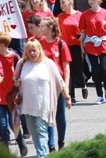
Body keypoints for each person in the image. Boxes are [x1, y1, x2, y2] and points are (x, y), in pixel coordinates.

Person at [14, 40, 71, 158]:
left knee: (41, 131)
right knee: (33, 133)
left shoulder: (48, 64)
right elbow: (15, 79)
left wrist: (67, 97)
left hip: (43, 104)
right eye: (29, 51)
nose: (32, 53)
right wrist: (16, 82)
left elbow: (60, 82)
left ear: (40, 50)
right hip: (27, 105)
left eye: (34, 50)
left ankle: (42, 155)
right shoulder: (22, 63)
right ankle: (41, 152)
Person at [78, 0, 106, 105]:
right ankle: (99, 95)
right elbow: (83, 32)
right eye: (89, 0)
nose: (90, 2)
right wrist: (81, 45)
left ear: (98, 0)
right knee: (95, 70)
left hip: (103, 43)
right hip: (91, 44)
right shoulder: (85, 15)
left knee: (104, 69)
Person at [0, 33, 28, 155]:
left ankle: (21, 142)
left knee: (14, 124)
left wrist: (18, 83)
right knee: (2, 126)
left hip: (12, 97)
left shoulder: (15, 57)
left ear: (2, 45)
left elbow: (22, 74)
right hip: (1, 98)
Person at [38, 17, 71, 152]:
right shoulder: (39, 43)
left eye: (42, 26)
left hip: (58, 84)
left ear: (50, 28)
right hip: (44, 84)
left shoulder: (61, 44)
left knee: (60, 115)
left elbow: (66, 66)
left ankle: (61, 141)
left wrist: (66, 86)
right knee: (48, 114)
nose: (40, 29)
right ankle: (51, 145)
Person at [56, 0, 86, 102]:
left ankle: (83, 84)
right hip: (65, 46)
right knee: (68, 70)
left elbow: (84, 29)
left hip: (76, 46)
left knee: (78, 69)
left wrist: (82, 38)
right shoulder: (59, 17)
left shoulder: (79, 15)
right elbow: (58, 31)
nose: (61, 5)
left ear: (70, 3)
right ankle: (71, 95)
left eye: (63, 2)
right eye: (60, 3)